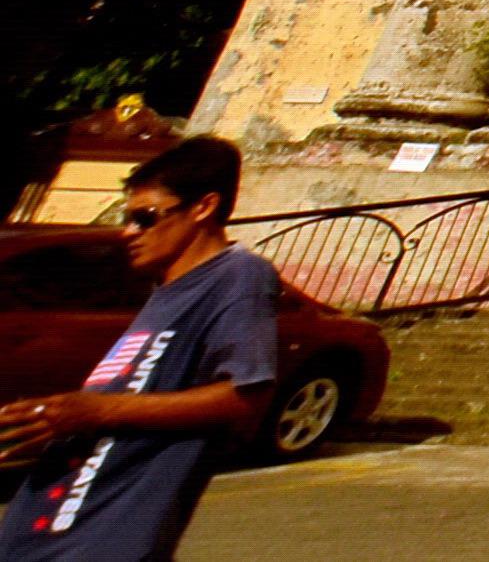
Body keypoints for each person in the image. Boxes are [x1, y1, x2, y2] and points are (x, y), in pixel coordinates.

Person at [0, 136, 281, 559]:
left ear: (203, 208)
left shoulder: (239, 276)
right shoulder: (165, 291)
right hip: (49, 524)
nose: (128, 231)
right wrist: (58, 421)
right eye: (126, 217)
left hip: (106, 535)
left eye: (145, 217)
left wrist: (95, 411)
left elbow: (245, 395)